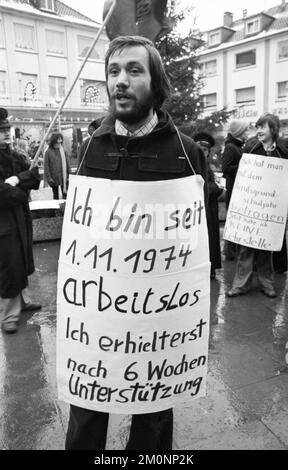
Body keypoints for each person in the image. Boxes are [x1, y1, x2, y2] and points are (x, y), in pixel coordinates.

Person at [66, 35, 208, 451]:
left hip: (157, 322)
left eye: (133, 70)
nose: (121, 81)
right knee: (87, 412)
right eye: (113, 71)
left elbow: (198, 243)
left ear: (155, 82)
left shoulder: (184, 152)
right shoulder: (92, 145)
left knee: (153, 418)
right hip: (99, 318)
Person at [227, 113, 288, 298]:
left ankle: (267, 284)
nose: (259, 130)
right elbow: (243, 175)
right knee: (246, 249)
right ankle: (240, 285)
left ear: (274, 130)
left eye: (263, 127)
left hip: (270, 208)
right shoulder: (251, 148)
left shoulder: (283, 151)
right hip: (252, 206)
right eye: (258, 127)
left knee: (266, 250)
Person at [0, 107, 41, 334]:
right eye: (1, 130)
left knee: (23, 261)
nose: (6, 133)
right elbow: (4, 195)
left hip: (21, 219)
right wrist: (17, 186)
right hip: (4, 223)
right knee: (10, 266)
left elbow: (34, 178)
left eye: (7, 129)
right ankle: (9, 315)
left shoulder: (16, 157)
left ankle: (23, 303)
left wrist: (16, 179)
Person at [194, 131, 223, 279]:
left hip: (210, 209)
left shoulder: (207, 164)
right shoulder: (193, 164)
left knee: (211, 238)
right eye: (200, 149)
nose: (203, 152)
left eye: (205, 150)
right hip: (200, 210)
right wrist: (215, 188)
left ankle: (211, 268)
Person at [222, 120, 249, 260]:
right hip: (233, 190)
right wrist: (245, 167)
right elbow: (225, 168)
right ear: (238, 132)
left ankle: (232, 252)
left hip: (237, 190)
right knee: (233, 221)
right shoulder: (231, 147)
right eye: (245, 130)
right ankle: (230, 253)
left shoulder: (237, 147)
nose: (248, 133)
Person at [44, 132, 70, 200]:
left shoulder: (63, 150)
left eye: (61, 139)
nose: (60, 141)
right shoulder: (48, 152)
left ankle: (65, 208)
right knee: (55, 195)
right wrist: (49, 178)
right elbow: (46, 166)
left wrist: (69, 175)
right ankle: (56, 209)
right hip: (53, 177)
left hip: (63, 176)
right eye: (58, 139)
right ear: (54, 140)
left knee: (65, 193)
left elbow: (67, 163)